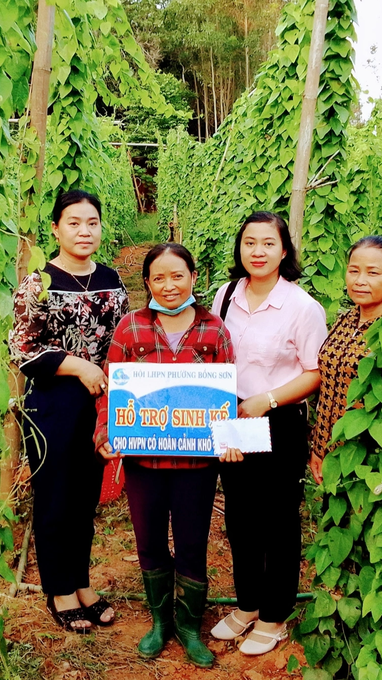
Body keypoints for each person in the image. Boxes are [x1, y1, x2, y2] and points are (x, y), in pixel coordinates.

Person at [94, 243, 233, 668]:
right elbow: (111, 390)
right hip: (144, 462)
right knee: (149, 540)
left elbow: (226, 393)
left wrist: (227, 438)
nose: (169, 286)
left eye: (177, 276)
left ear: (193, 277)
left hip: (196, 464)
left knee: (192, 543)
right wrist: (105, 430)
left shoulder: (215, 330)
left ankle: (190, 628)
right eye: (159, 278)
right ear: (148, 283)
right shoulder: (130, 328)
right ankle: (161, 623)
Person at [9, 190, 129, 633]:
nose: (84, 231)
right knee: (56, 495)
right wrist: (77, 365)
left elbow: (124, 336)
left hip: (101, 402)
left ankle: (81, 582)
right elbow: (21, 347)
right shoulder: (39, 281)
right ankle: (58, 589)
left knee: (85, 494)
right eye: (74, 222)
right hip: (54, 402)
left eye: (92, 222)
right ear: (56, 228)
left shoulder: (113, 278)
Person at [209, 212, 327, 656]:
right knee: (239, 516)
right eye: (249, 243)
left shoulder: (301, 307)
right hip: (233, 414)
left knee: (278, 519)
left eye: (267, 244)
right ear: (240, 249)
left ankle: (275, 615)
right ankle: (247, 604)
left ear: (284, 251)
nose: (257, 252)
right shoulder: (225, 296)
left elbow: (315, 372)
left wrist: (269, 400)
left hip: (276, 419)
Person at [310, 235, 382, 484]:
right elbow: (328, 389)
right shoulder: (346, 320)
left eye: (373, 273)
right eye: (353, 271)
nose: (360, 281)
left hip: (374, 460)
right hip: (334, 454)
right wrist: (319, 449)